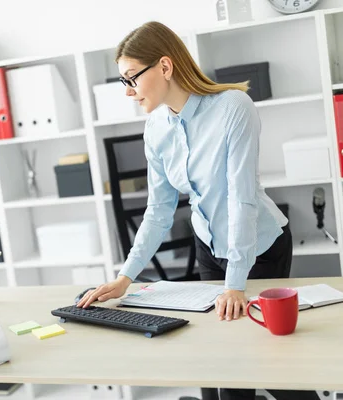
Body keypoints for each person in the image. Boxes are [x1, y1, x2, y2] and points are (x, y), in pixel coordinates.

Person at [76, 21, 319, 400]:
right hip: (209, 247)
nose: (128, 92)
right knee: (221, 359)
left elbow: (241, 199)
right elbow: (158, 210)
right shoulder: (155, 127)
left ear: (165, 67)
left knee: (266, 359)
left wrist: (236, 284)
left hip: (258, 247)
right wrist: (125, 278)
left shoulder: (232, 108)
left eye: (131, 79)